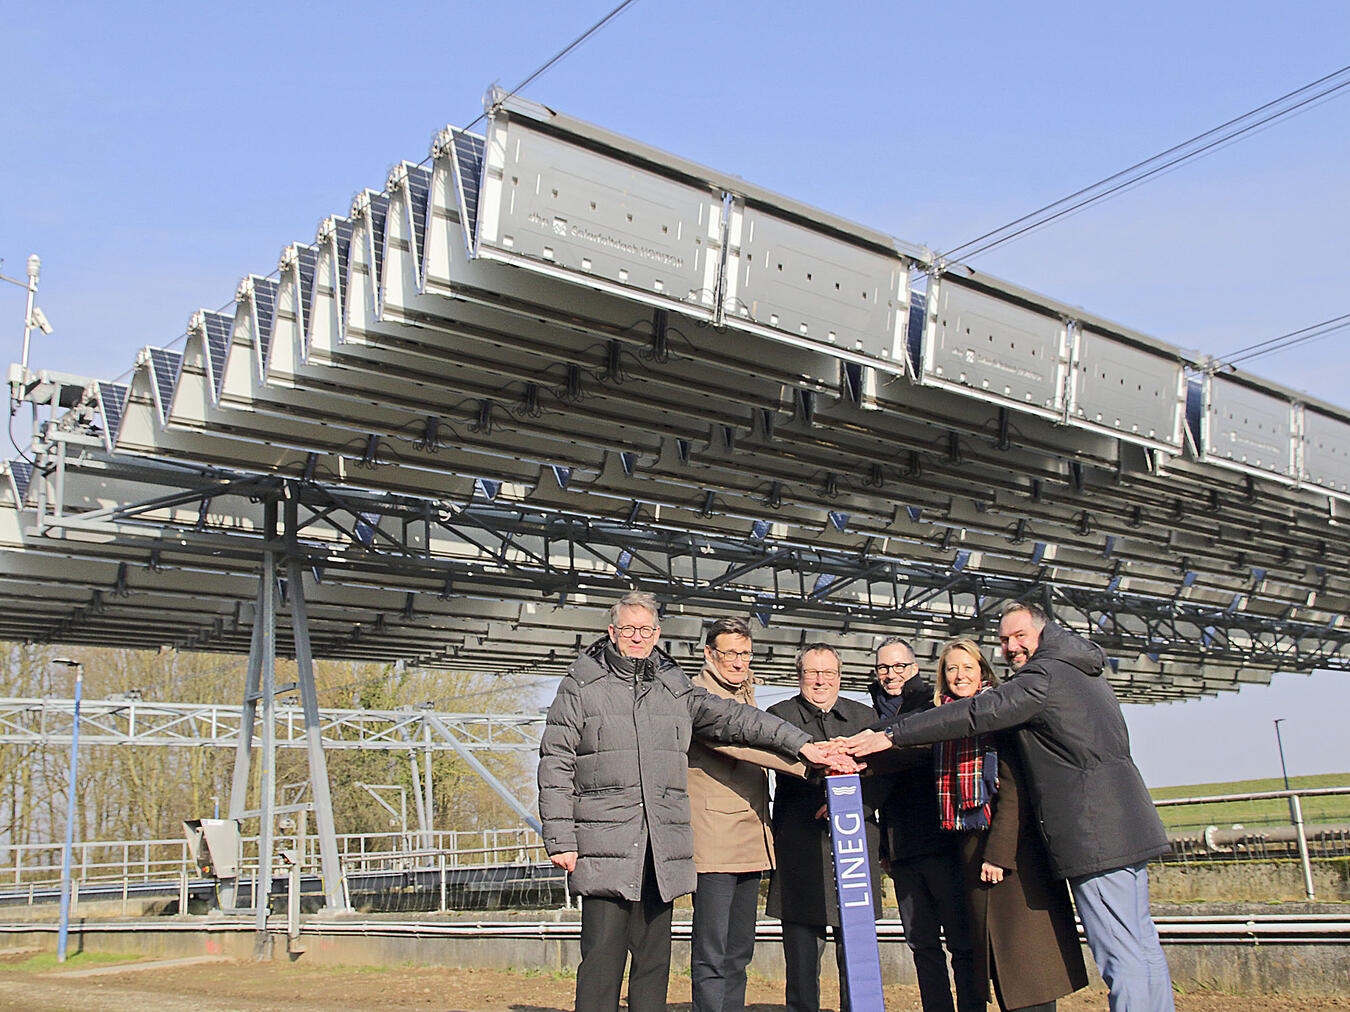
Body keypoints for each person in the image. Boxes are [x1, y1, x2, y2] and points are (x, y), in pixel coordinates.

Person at [843, 602, 1174, 1012]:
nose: (1011, 646)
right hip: (1127, 825)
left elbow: (978, 712)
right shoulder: (1083, 670)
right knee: (1141, 946)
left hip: (1095, 834)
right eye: (1003, 639)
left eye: (1019, 636)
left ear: (1044, 631)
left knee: (1121, 955)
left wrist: (890, 735)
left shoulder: (1044, 676)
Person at [538, 594, 856, 1012]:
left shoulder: (674, 688)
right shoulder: (581, 686)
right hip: (605, 844)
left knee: (654, 965)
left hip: (661, 848)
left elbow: (738, 720)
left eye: (647, 629)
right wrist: (561, 838)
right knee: (601, 962)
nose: (638, 637)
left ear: (657, 634)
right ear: (612, 633)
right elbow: (556, 761)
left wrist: (804, 745)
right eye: (629, 629)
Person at [930, 638, 1087, 1012]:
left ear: (983, 671)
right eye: (951, 668)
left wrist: (999, 854)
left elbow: (1015, 789)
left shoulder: (1002, 714)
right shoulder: (943, 722)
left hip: (1011, 856)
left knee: (1026, 962)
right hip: (972, 850)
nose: (959, 675)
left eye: (968, 667)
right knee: (1002, 964)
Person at [688, 617, 807, 1012]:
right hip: (715, 840)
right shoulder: (697, 696)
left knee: (739, 949)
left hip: (750, 835)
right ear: (709, 653)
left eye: (745, 653)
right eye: (730, 653)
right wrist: (811, 761)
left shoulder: (744, 694)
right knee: (712, 948)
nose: (739, 662)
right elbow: (740, 743)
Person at [767, 643, 884, 1012]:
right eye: (812, 673)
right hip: (800, 846)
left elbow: (883, 777)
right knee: (801, 957)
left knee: (857, 953)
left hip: (854, 849)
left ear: (839, 676)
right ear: (799, 676)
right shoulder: (778, 716)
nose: (820, 680)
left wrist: (854, 804)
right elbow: (777, 765)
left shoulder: (865, 718)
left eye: (828, 673)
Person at [868, 636, 980, 1012]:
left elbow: (901, 764)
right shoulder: (877, 714)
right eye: (884, 667)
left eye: (899, 666)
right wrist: (885, 847)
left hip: (940, 841)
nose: (891, 674)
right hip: (901, 850)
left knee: (960, 940)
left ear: (915, 669)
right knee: (921, 943)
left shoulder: (928, 706)